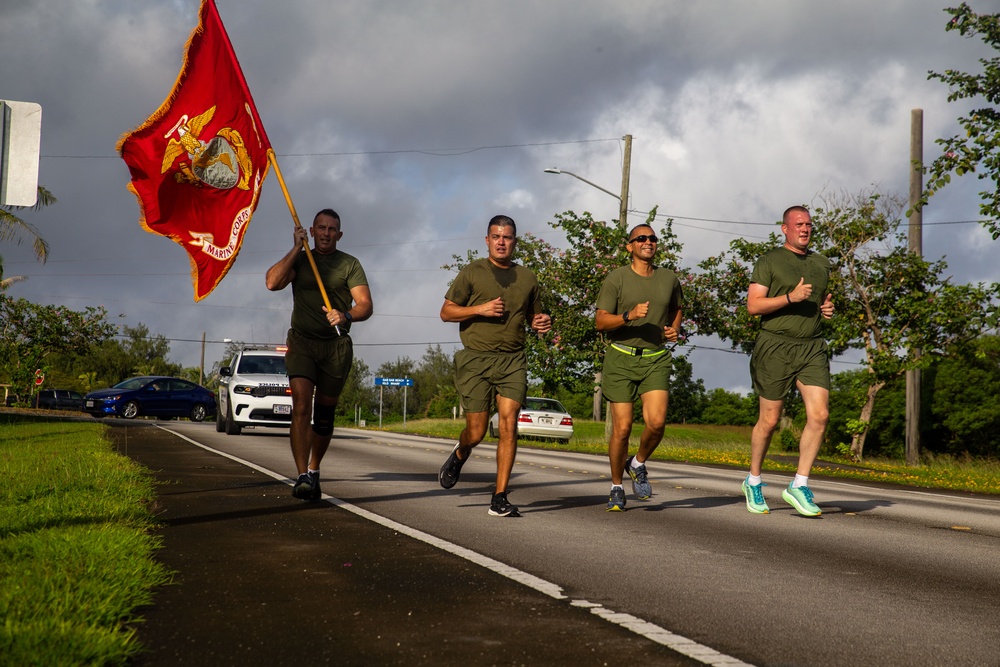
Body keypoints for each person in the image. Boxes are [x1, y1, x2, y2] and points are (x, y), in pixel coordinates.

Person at [437, 215, 551, 517]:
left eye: (508, 237)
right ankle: (461, 453)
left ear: (515, 241)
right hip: (476, 358)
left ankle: (499, 497)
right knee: (475, 432)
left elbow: (534, 317)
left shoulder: (528, 277)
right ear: (487, 240)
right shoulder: (472, 272)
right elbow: (446, 312)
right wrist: (480, 309)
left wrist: (540, 323)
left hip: (513, 360)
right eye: (496, 236)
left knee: (509, 425)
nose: (502, 242)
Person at [265, 209, 373, 501]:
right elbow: (272, 282)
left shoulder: (349, 264)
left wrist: (346, 315)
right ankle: (301, 476)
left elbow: (365, 304)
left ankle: (314, 470)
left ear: (340, 234)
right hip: (302, 342)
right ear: (311, 231)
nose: (326, 233)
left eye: (332, 229)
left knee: (324, 416)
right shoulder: (301, 259)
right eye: (321, 228)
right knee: (301, 406)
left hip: (335, 347)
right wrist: (295, 248)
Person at [742, 205, 834, 517]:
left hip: (811, 347)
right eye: (798, 224)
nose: (805, 229)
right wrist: (789, 298)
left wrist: (825, 308)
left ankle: (799, 484)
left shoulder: (822, 263)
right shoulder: (769, 260)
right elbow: (753, 306)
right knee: (769, 421)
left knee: (820, 415)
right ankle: (753, 480)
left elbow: (820, 299)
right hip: (775, 346)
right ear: (785, 228)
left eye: (809, 224)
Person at [595, 224, 683, 511]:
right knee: (622, 429)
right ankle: (616, 487)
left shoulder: (668, 278)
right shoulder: (616, 278)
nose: (648, 242)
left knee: (656, 423)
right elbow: (600, 322)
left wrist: (673, 329)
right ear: (629, 246)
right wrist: (628, 315)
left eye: (653, 238)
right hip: (620, 357)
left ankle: (638, 463)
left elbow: (677, 308)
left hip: (655, 358)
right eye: (641, 238)